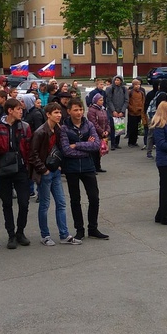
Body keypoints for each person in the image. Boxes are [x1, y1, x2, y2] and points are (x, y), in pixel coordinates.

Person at [29, 102, 79, 246]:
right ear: (48, 115)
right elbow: (33, 155)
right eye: (55, 113)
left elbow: (60, 149)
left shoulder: (58, 129)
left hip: (55, 171)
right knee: (45, 204)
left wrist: (59, 166)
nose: (59, 115)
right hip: (45, 173)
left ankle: (64, 235)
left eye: (59, 112)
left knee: (61, 203)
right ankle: (45, 235)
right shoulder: (40, 132)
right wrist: (43, 170)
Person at [60, 98, 109, 240]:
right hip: (72, 168)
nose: (79, 112)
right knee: (75, 200)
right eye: (75, 110)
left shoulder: (89, 125)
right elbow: (66, 150)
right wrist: (86, 146)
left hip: (88, 166)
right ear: (69, 111)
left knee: (94, 198)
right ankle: (79, 229)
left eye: (81, 109)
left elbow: (96, 145)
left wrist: (77, 145)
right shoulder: (64, 128)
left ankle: (93, 228)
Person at [0, 98, 33, 250]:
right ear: (10, 110)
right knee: (7, 203)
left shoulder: (25, 126)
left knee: (24, 202)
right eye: (18, 109)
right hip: (3, 169)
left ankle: (20, 232)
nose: (21, 111)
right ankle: (11, 235)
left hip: (21, 169)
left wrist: (28, 166)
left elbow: (29, 148)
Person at [86, 93, 110, 173]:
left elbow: (107, 122)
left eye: (102, 100)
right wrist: (101, 131)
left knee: (99, 151)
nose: (102, 101)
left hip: (102, 134)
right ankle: (92, 167)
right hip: (95, 133)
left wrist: (107, 131)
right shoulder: (92, 110)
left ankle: (98, 167)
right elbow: (93, 123)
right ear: (96, 101)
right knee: (94, 151)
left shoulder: (103, 110)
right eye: (100, 100)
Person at [105, 76, 128, 150]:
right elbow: (109, 100)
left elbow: (126, 101)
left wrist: (122, 111)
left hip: (121, 111)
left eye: (118, 80)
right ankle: (113, 144)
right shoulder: (110, 88)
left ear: (121, 81)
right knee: (112, 127)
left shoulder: (124, 89)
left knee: (119, 127)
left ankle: (117, 143)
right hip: (112, 111)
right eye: (115, 80)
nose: (116, 82)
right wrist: (113, 111)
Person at [127, 78, 146, 147]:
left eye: (139, 85)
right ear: (133, 85)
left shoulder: (141, 93)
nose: (138, 86)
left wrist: (142, 109)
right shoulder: (130, 92)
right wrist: (131, 108)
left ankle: (134, 141)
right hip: (132, 113)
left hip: (139, 112)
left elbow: (143, 101)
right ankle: (130, 142)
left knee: (137, 128)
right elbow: (127, 102)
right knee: (132, 128)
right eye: (136, 85)